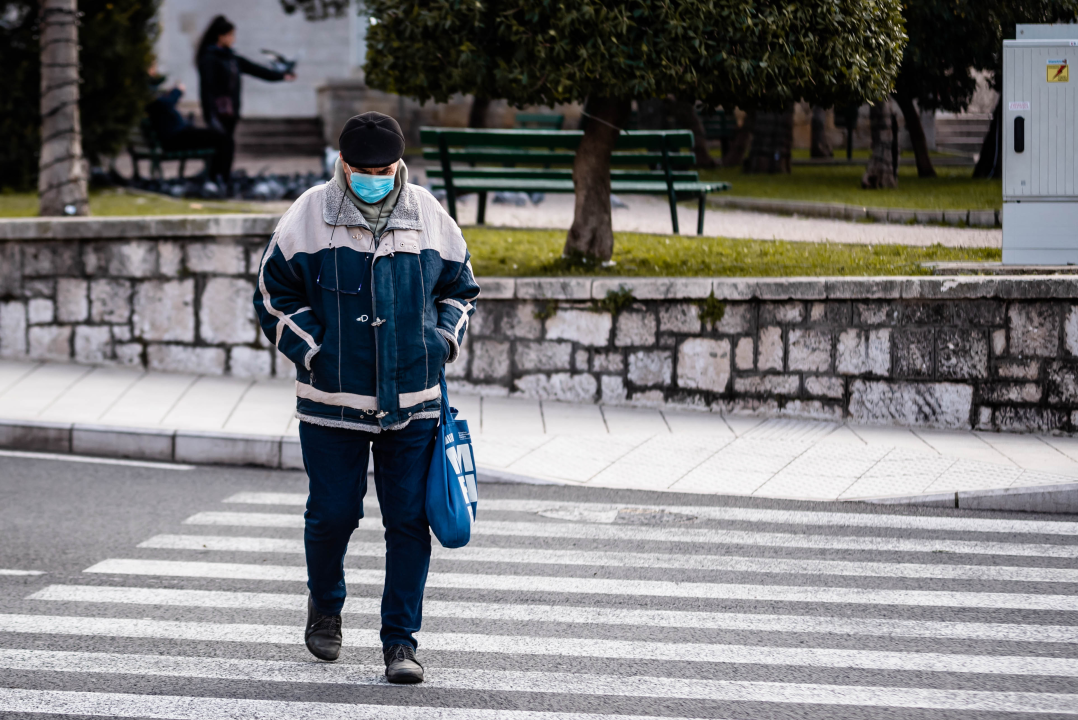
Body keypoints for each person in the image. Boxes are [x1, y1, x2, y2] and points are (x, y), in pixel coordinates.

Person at [253, 112, 480, 684]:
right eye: (363, 170)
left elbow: (461, 288)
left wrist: (441, 340)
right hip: (330, 402)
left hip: (414, 401)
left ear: (399, 164)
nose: (374, 179)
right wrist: (315, 351)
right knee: (333, 515)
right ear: (343, 163)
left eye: (384, 170)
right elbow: (273, 295)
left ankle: (400, 642)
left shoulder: (428, 214)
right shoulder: (309, 214)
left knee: (408, 523)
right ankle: (325, 606)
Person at [195, 15, 295, 191]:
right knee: (224, 146)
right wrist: (209, 115)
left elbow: (257, 70)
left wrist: (281, 76)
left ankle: (220, 180)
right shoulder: (209, 58)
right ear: (221, 36)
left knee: (226, 146)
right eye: (231, 35)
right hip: (217, 113)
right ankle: (217, 180)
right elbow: (207, 90)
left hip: (231, 112)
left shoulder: (231, 58)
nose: (233, 39)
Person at [145, 64, 232, 183]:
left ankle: (215, 175)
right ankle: (219, 178)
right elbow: (164, 104)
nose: (154, 70)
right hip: (176, 138)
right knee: (223, 139)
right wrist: (177, 91)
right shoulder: (148, 92)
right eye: (151, 68)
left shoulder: (152, 92)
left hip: (178, 135)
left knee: (221, 138)